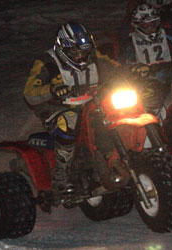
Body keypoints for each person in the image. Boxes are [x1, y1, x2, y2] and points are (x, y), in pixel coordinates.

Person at [23, 22, 121, 194]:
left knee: (115, 110)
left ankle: (112, 158)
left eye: (83, 52)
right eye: (74, 53)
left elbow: (113, 67)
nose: (80, 57)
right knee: (68, 120)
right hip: (56, 108)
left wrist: (133, 70)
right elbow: (30, 94)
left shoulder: (93, 56)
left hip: (90, 103)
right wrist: (52, 90)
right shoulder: (46, 63)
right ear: (62, 49)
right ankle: (62, 176)